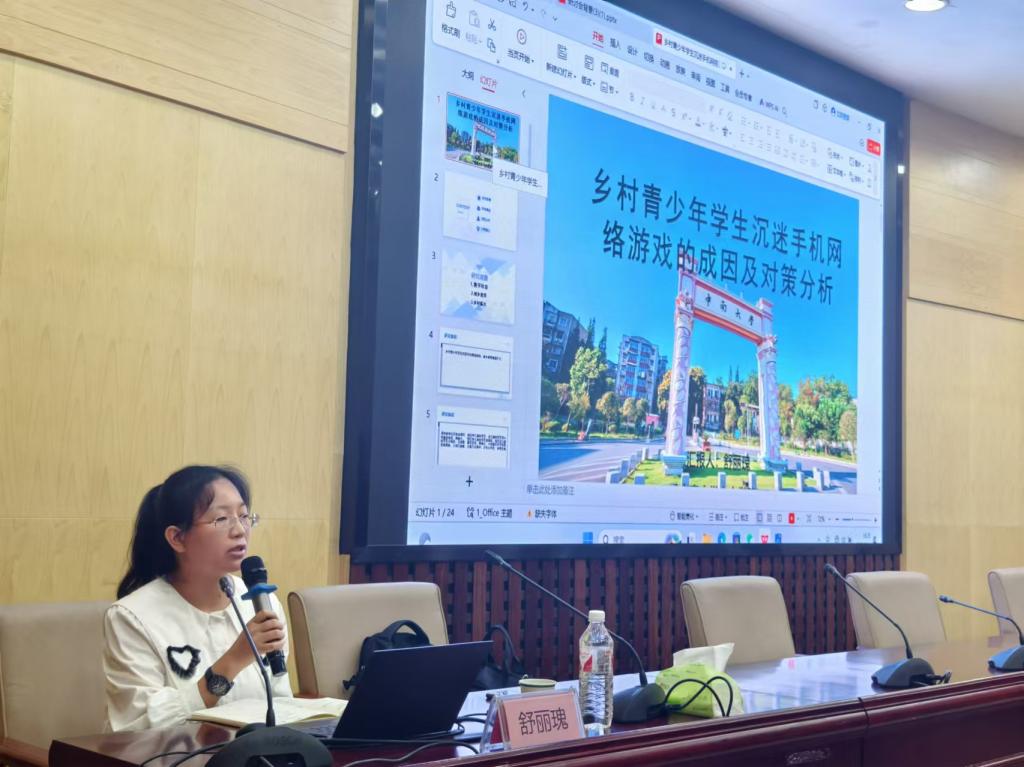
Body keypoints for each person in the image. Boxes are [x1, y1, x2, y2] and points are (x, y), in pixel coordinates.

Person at [104, 465, 292, 731]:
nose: (240, 530)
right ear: (177, 538)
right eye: (221, 519)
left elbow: (282, 702)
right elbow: (136, 729)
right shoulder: (132, 617)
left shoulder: (261, 602)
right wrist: (232, 661)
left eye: (244, 516)